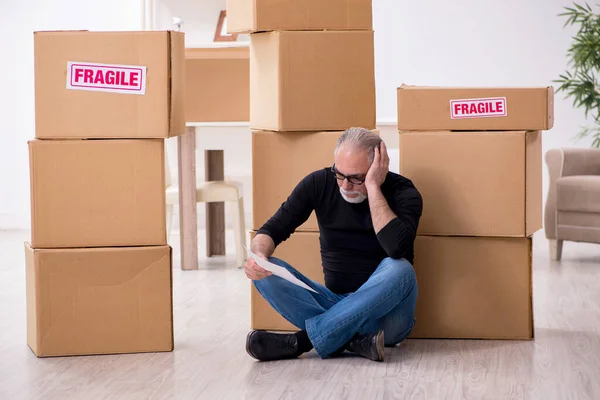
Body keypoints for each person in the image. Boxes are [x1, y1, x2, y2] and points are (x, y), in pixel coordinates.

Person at [243, 127, 423, 362]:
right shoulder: (319, 183)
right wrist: (257, 257)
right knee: (267, 271)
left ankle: (303, 341)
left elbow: (396, 248)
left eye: (356, 178)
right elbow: (272, 229)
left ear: (378, 169)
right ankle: (352, 340)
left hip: (386, 318)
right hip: (333, 303)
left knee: (400, 269)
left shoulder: (404, 192)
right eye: (340, 174)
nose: (345, 186)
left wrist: (372, 188)